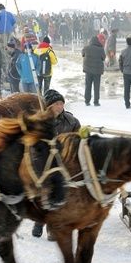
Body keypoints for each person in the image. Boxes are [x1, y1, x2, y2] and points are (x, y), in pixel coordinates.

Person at [31, 88, 81, 239]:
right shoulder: (39, 121)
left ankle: (52, 228)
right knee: (43, 192)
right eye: (57, 103)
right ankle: (39, 221)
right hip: (44, 162)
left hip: (64, 161)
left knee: (60, 193)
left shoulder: (71, 121)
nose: (60, 106)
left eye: (62, 103)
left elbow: (78, 140)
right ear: (49, 105)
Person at [82, 35, 105, 106]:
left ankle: (87, 101)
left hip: (88, 70)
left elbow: (83, 55)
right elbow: (103, 58)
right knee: (96, 86)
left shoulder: (86, 48)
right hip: (97, 71)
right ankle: (96, 101)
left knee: (88, 86)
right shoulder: (101, 49)